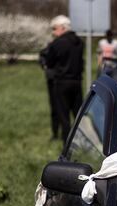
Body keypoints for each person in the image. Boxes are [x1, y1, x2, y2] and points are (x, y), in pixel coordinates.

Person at [42, 15, 84, 144]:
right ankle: (81, 142)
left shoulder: (58, 43)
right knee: (78, 115)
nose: (53, 32)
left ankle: (67, 146)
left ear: (62, 28)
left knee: (64, 116)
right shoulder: (79, 42)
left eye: (54, 29)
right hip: (77, 82)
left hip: (62, 83)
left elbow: (49, 62)